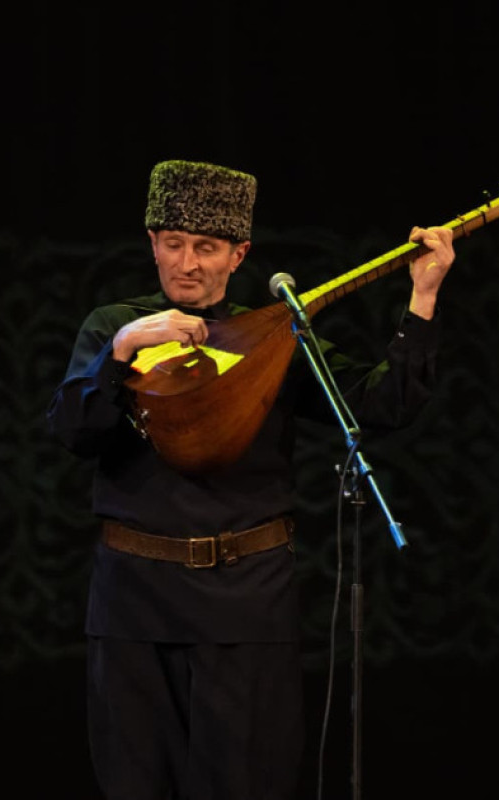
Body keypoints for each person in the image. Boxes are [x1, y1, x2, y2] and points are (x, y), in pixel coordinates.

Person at [46, 159, 455, 799]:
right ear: (152, 243)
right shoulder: (114, 326)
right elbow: (73, 432)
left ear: (239, 255)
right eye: (173, 244)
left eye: (206, 247)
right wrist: (121, 349)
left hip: (247, 600)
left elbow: (380, 406)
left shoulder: (273, 335)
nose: (187, 262)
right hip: (134, 599)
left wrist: (422, 298)